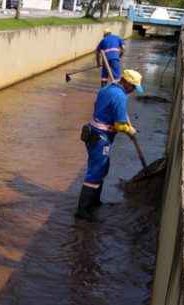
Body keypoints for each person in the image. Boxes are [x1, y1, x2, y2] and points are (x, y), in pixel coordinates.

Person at [77, 70, 144, 222]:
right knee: (96, 172)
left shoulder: (107, 88)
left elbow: (98, 107)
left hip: (92, 133)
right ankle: (83, 210)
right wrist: (129, 130)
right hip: (101, 138)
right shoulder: (120, 96)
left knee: (102, 168)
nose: (133, 91)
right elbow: (120, 125)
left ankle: (94, 201)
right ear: (126, 83)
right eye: (132, 87)